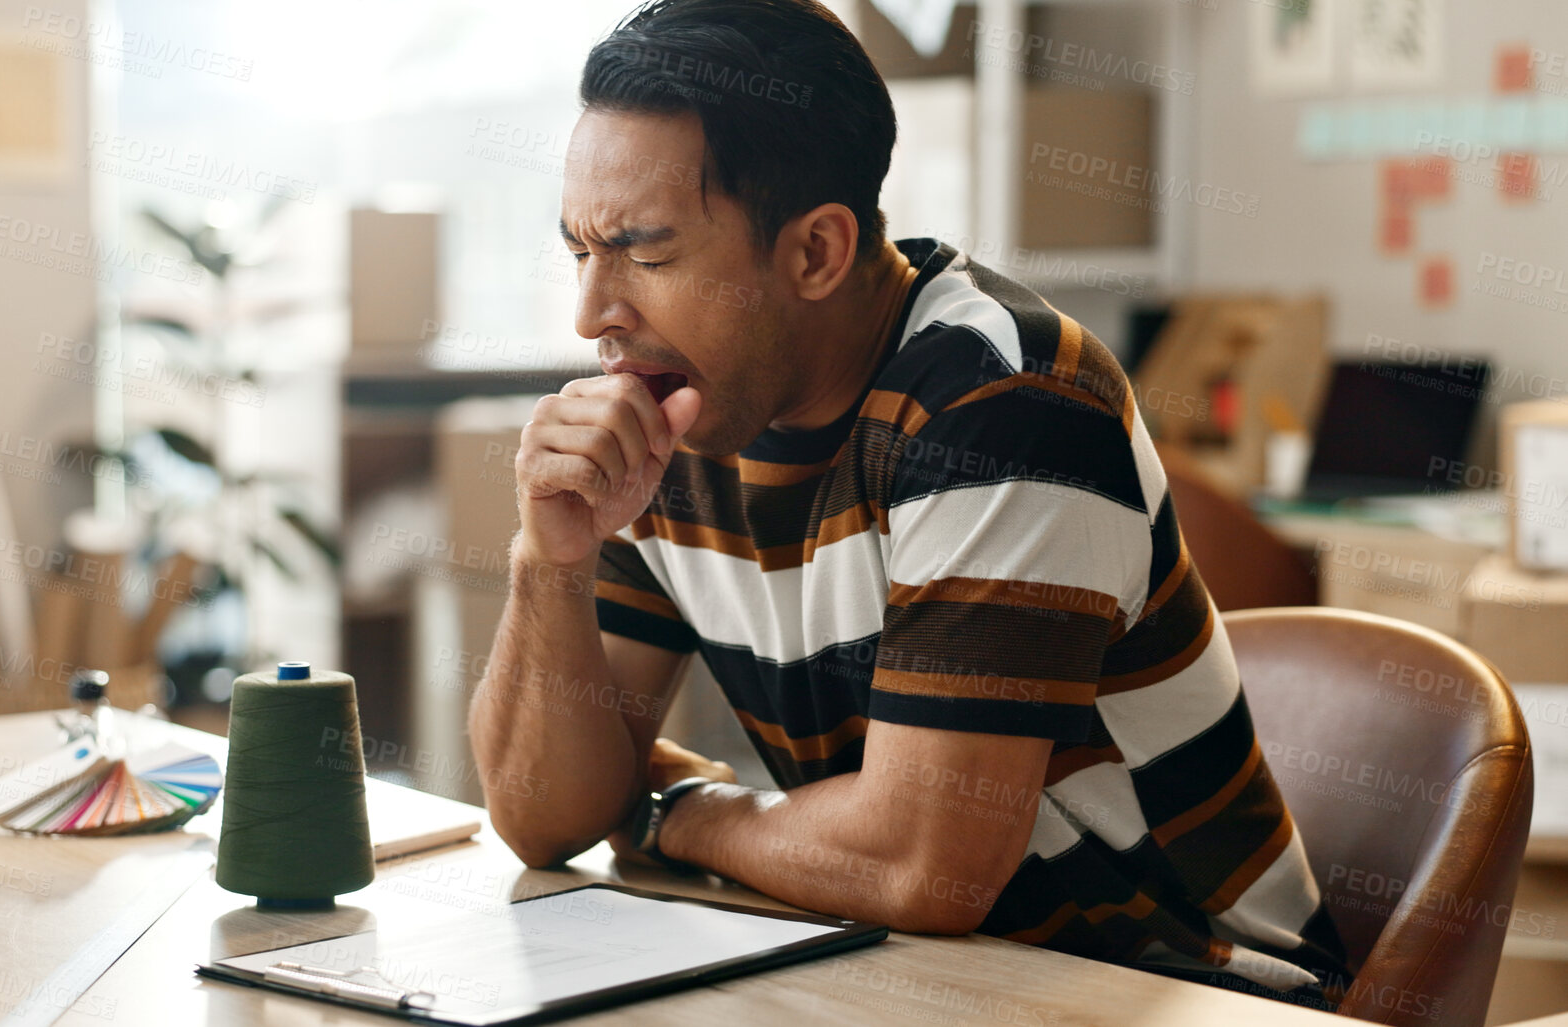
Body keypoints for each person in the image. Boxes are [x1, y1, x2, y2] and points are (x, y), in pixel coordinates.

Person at [467, 0, 1348, 1007]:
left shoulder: (1004, 400)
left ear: (816, 253)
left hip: (1193, 991)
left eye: (646, 254)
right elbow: (546, 818)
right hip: (926, 974)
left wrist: (678, 806)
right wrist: (553, 558)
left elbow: (924, 864)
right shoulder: (683, 418)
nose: (593, 314)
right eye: (584, 250)